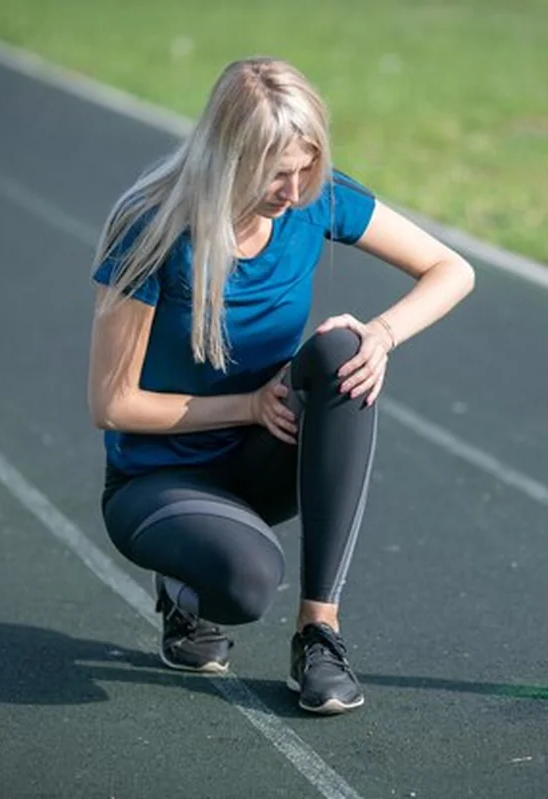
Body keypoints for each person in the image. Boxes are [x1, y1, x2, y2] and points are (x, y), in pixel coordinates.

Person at [86, 57, 475, 715]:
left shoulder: (315, 197)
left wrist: (382, 334)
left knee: (346, 352)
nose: (294, 190)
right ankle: (182, 587)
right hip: (155, 484)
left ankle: (319, 634)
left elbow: (451, 268)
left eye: (306, 168)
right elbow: (112, 403)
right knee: (247, 583)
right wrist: (246, 405)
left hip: (261, 462)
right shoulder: (153, 227)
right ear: (227, 156)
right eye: (276, 173)